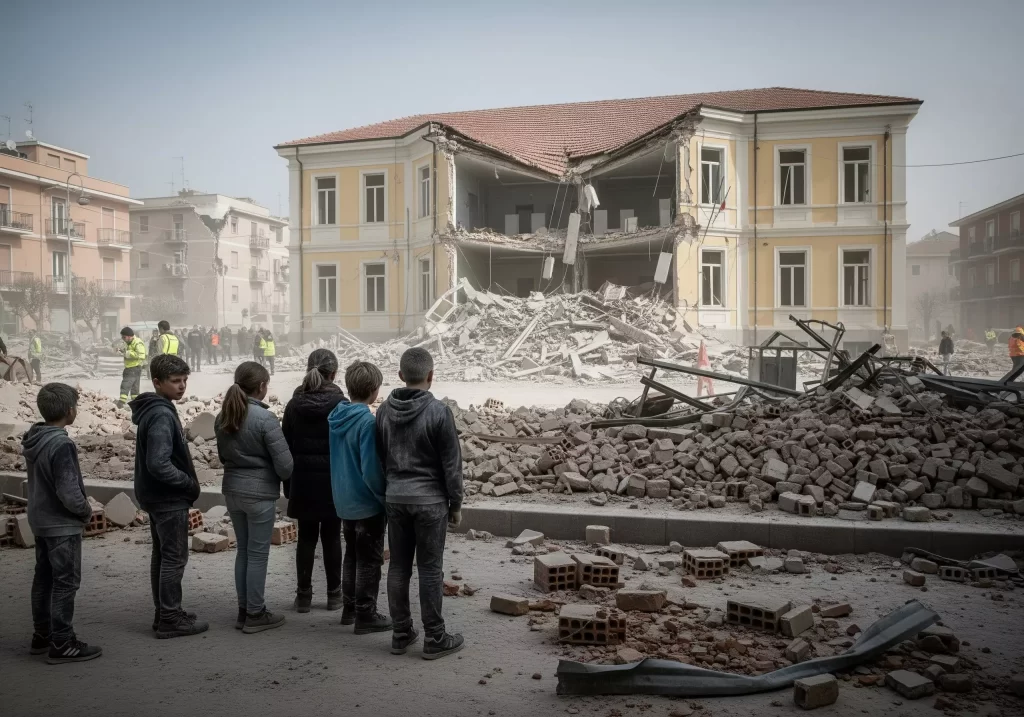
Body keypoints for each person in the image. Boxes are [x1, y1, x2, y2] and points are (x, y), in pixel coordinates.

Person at [376, 347, 464, 659]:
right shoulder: (439, 412)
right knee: (429, 569)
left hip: (396, 498)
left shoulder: (384, 411)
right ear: (431, 376)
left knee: (398, 566)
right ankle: (435, 638)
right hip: (430, 502)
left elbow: (381, 457)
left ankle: (401, 632)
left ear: (400, 376)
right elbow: (451, 464)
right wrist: (455, 503)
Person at [131, 354, 208, 639]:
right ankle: (170, 618)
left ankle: (164, 612)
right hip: (167, 498)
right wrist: (187, 484)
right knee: (174, 558)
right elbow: (158, 463)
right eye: (175, 381)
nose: (182, 386)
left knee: (162, 556)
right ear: (157, 382)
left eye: (185, 380)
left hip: (156, 496)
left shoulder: (155, 409)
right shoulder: (162, 414)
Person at [24, 383, 102, 664]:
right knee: (66, 581)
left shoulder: (33, 438)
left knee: (43, 578)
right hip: (61, 524)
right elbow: (68, 491)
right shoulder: (61, 443)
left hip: (41, 520)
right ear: (70, 411)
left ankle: (42, 635)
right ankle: (62, 641)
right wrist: (84, 511)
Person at [216, 361, 293, 634]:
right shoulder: (266, 419)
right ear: (262, 386)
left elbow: (223, 456)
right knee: (258, 555)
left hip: (232, 491)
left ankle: (243, 610)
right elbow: (285, 466)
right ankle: (256, 614)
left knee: (243, 552)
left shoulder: (223, 416)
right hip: (259, 496)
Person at [328, 360, 391, 633]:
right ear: (375, 391)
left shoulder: (336, 417)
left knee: (351, 555)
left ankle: (349, 609)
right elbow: (371, 470)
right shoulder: (366, 422)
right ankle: (366, 614)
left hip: (343, 500)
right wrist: (384, 498)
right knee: (369, 560)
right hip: (366, 502)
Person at [283, 348, 347, 612]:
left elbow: (284, 445)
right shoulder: (341, 405)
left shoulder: (294, 404)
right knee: (332, 537)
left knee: (306, 538)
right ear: (334, 373)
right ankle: (334, 595)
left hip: (303, 482)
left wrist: (288, 485)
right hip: (333, 484)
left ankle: (304, 597)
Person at [117, 327, 146, 408]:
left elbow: (141, 355)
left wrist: (127, 353)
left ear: (130, 336)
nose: (123, 339)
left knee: (125, 384)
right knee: (135, 388)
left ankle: (121, 403)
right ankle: (136, 403)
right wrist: (122, 351)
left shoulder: (137, 342)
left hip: (133, 368)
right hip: (134, 368)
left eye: (124, 337)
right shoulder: (129, 342)